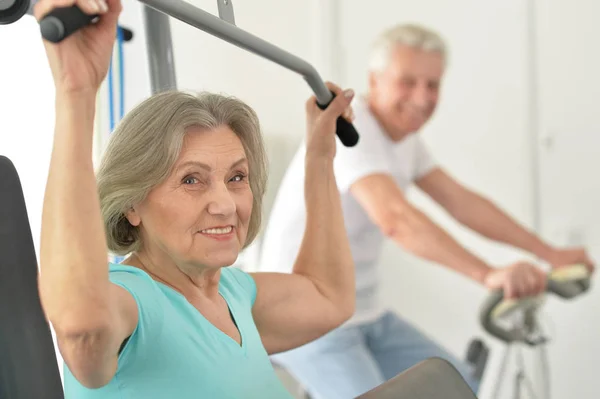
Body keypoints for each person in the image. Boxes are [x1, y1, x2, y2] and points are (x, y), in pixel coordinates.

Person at [36, 0, 358, 398]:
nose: (225, 204)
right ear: (132, 204)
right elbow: (79, 325)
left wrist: (320, 155)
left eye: (237, 177)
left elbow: (330, 296)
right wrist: (76, 92)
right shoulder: (132, 302)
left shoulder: (232, 295)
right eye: (192, 180)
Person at [259, 23, 596, 398]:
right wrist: (488, 274)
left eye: (432, 84)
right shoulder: (355, 131)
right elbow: (396, 220)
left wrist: (549, 253)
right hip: (308, 318)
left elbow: (460, 201)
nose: (422, 97)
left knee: (460, 387)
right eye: (408, 82)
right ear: (376, 80)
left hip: (367, 314)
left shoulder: (405, 140)